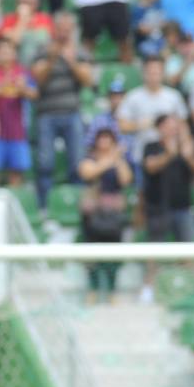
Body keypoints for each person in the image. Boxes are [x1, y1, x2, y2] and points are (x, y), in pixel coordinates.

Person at [30, 13, 94, 209]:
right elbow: (37, 80)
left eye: (68, 29)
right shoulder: (43, 50)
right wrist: (52, 59)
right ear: (54, 29)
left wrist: (71, 61)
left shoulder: (79, 52)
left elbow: (87, 80)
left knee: (77, 163)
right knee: (45, 164)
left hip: (71, 112)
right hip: (46, 113)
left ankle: (77, 204)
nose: (64, 33)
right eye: (61, 28)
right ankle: (44, 206)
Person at [78, 129, 133, 304]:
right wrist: (111, 158)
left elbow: (126, 180)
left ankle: (112, 290)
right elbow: (89, 172)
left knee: (114, 254)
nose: (104, 143)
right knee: (91, 255)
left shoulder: (119, 161)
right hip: (92, 213)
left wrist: (117, 159)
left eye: (108, 139)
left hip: (113, 214)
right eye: (102, 139)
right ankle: (93, 289)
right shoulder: (89, 160)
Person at [0, 37, 37, 187]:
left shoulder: (23, 73)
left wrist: (22, 89)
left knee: (17, 172)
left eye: (8, 49)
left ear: (15, 53)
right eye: (1, 50)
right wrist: (2, 86)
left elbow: (34, 94)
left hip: (17, 130)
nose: (5, 53)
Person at [141, 114, 194, 246]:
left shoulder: (186, 149)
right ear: (159, 128)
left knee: (189, 251)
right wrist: (169, 154)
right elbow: (150, 166)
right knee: (154, 250)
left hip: (183, 207)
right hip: (157, 208)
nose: (173, 130)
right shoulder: (151, 146)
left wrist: (188, 155)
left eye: (175, 127)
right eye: (168, 126)